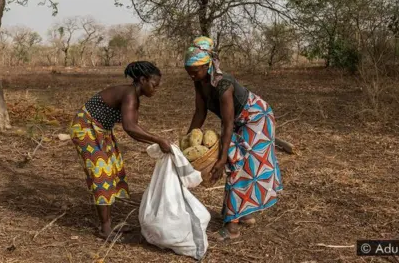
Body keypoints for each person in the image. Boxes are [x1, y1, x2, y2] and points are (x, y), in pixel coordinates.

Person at [183, 36, 283, 241]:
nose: (191, 75)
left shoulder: (223, 83)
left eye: (195, 70)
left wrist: (220, 159)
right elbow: (199, 113)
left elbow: (227, 124)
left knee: (234, 163)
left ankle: (232, 226)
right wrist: (185, 143)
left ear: (208, 65)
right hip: (239, 121)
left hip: (256, 118)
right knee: (239, 164)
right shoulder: (200, 82)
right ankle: (243, 214)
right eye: (188, 71)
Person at [70, 61, 172, 239]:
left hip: (100, 130)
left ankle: (108, 224)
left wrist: (158, 144)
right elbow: (130, 127)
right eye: (154, 85)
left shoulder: (133, 96)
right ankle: (105, 228)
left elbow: (133, 130)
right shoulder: (129, 95)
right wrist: (158, 139)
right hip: (85, 127)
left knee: (113, 170)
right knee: (101, 173)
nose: (156, 89)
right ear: (142, 80)